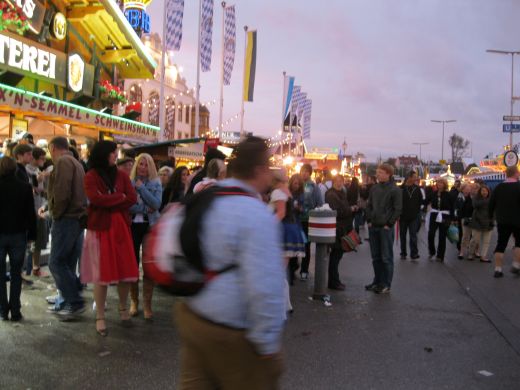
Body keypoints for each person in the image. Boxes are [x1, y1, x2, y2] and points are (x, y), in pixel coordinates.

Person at [174, 136, 285, 389]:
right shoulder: (255, 213)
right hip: (231, 332)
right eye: (269, 166)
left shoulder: (209, 196)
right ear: (259, 170)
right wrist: (267, 344)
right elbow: (265, 285)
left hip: (193, 317)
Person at [81, 141, 139, 336]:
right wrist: (119, 198)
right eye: (113, 152)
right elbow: (95, 199)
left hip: (120, 228)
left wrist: (112, 199)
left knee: (125, 271)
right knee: (101, 274)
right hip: (100, 228)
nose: (116, 155)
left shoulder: (121, 175)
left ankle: (122, 308)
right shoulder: (91, 175)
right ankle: (100, 316)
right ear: (104, 154)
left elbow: (132, 198)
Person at [41, 136, 87, 320]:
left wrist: (55, 213)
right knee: (66, 262)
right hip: (77, 219)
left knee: (56, 262)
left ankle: (74, 300)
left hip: (67, 218)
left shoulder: (63, 162)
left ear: (52, 147)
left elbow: (62, 193)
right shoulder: (77, 163)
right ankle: (71, 298)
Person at [0, 157, 37, 321]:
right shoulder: (25, 187)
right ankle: (15, 310)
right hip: (18, 235)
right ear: (15, 169)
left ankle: (2, 310)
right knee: (16, 273)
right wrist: (33, 236)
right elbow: (31, 214)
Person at [129, 153, 162, 320]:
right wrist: (143, 208)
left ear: (150, 167)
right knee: (132, 265)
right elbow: (127, 206)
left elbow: (156, 204)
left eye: (146, 164)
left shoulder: (156, 183)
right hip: (133, 226)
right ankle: (134, 302)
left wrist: (141, 188)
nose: (142, 167)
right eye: (140, 164)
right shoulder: (129, 182)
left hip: (150, 227)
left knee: (148, 266)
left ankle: (147, 304)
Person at [365, 164, 402, 294]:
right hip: (374, 226)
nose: (378, 174)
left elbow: (398, 209)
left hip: (385, 228)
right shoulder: (374, 188)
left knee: (386, 257)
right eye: (377, 172)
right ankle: (377, 281)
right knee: (376, 257)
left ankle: (386, 284)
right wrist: (369, 220)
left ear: (388, 174)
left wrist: (389, 224)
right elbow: (368, 205)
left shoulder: (395, 190)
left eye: (380, 172)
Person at [325, 175, 356, 290]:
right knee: (336, 255)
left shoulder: (341, 193)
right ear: (333, 182)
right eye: (337, 181)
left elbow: (343, 208)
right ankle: (333, 282)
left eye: (341, 181)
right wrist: (350, 209)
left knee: (337, 255)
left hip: (342, 227)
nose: (339, 183)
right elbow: (337, 211)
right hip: (337, 228)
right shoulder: (331, 194)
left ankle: (335, 281)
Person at [489, 166, 520, 278]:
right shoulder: (519, 186)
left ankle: (498, 269)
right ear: (516, 173)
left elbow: (491, 204)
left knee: (501, 244)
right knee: (519, 244)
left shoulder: (499, 187)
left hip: (502, 220)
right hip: (517, 220)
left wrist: (490, 218)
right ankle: (516, 265)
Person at [25, 147, 50, 277]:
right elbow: (29, 190)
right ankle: (26, 271)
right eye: (42, 158)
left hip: (39, 209)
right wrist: (39, 181)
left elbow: (43, 191)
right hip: (29, 211)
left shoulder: (39, 170)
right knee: (28, 242)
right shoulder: (25, 170)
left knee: (39, 241)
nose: (44, 160)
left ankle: (35, 268)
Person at [299, 163, 324, 280]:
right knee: (295, 244)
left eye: (306, 171)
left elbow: (320, 203)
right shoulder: (297, 184)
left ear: (309, 173)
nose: (303, 173)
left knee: (305, 245)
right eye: (302, 171)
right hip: (296, 219)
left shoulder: (314, 187)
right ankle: (293, 267)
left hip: (307, 220)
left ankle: (304, 270)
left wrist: (312, 212)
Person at [426, 178, 454, 263]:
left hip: (444, 216)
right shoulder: (433, 194)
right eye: (438, 182)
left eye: (441, 183)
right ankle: (432, 251)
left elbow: (452, 207)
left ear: (444, 184)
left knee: (442, 236)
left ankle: (440, 255)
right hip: (434, 215)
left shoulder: (448, 195)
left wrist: (452, 219)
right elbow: (426, 201)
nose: (439, 184)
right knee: (431, 234)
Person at [400, 171, 423, 261]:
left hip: (414, 216)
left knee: (413, 235)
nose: (416, 178)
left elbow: (420, 201)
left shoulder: (417, 189)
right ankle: (403, 253)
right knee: (403, 235)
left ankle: (414, 253)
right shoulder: (401, 188)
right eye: (414, 177)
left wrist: (417, 212)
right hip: (403, 216)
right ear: (409, 177)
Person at [288, 173, 305, 285]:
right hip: (288, 223)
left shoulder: (300, 195)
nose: (296, 185)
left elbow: (302, 209)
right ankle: (289, 273)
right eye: (295, 183)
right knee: (289, 251)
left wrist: (299, 208)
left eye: (298, 184)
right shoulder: (287, 193)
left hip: (296, 224)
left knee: (295, 251)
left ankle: (293, 271)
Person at [468, 185, 494, 263]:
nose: (484, 192)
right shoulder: (476, 198)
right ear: (480, 191)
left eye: (486, 191)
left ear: (488, 191)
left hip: (488, 222)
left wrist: (493, 219)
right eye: (483, 191)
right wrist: (486, 200)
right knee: (475, 240)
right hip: (477, 221)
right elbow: (475, 205)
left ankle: (483, 256)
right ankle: (471, 253)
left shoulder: (492, 199)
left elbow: (494, 209)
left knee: (486, 241)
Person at [455, 184, 474, 259]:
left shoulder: (471, 197)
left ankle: (469, 249)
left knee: (470, 235)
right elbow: (456, 207)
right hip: (462, 217)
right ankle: (461, 249)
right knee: (462, 234)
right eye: (466, 188)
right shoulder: (459, 197)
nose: (467, 190)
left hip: (470, 218)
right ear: (462, 190)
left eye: (469, 188)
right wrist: (455, 218)